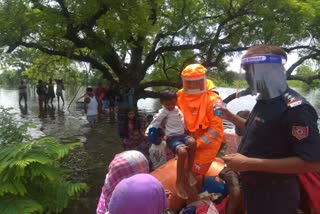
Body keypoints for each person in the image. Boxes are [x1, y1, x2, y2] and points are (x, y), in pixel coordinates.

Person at [220, 44, 320, 214]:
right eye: (245, 72)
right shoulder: (264, 101)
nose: (247, 77)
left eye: (251, 72)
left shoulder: (296, 109)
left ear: (272, 72)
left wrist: (248, 163)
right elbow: (254, 130)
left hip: (276, 196)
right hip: (253, 188)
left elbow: (312, 163)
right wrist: (229, 117)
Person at [146, 90, 196, 199]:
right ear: (162, 103)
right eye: (167, 104)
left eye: (173, 103)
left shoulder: (177, 109)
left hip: (182, 135)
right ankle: (179, 181)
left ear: (176, 101)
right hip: (172, 138)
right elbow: (154, 123)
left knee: (193, 142)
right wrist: (149, 131)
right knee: (182, 152)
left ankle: (189, 171)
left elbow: (183, 119)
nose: (170, 106)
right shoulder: (163, 112)